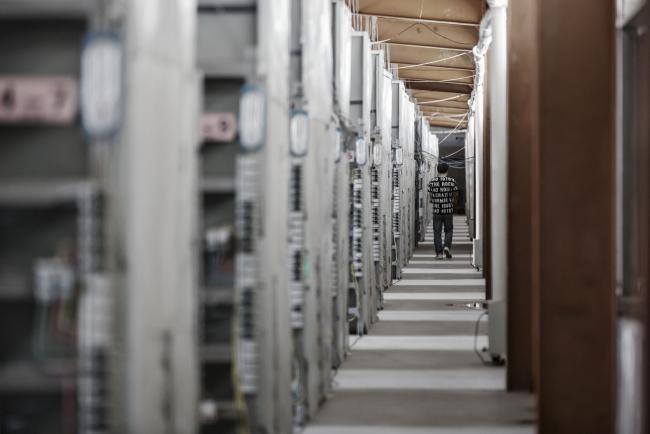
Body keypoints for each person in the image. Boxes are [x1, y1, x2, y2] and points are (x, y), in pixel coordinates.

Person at [427, 162, 459, 259]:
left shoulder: (432, 182)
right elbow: (456, 194)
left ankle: (439, 254)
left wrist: (433, 200)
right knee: (448, 230)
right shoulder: (452, 181)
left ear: (437, 170)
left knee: (437, 232)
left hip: (437, 211)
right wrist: (454, 203)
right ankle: (446, 246)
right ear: (447, 171)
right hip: (448, 210)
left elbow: (431, 197)